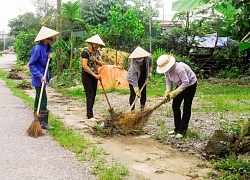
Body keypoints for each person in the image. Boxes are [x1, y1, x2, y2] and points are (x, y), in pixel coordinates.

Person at [156, 54, 197, 138]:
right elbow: (169, 83)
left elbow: (186, 82)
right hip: (180, 84)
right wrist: (167, 92)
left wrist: (174, 93)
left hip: (190, 84)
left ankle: (182, 130)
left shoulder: (179, 68)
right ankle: (177, 128)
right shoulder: (166, 71)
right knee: (175, 106)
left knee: (186, 107)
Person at [29, 26, 59, 130]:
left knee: (38, 97)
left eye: (51, 38)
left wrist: (49, 58)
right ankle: (44, 122)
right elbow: (31, 64)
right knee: (43, 98)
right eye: (49, 38)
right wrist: (40, 76)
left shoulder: (47, 47)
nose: (51, 39)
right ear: (43, 38)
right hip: (39, 76)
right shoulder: (38, 48)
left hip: (44, 75)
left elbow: (46, 62)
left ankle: (37, 119)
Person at [81, 34, 105, 121]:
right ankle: (89, 115)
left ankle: (91, 113)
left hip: (95, 75)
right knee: (90, 94)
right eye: (96, 45)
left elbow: (101, 63)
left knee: (94, 94)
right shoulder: (85, 52)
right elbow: (85, 66)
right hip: (87, 75)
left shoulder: (97, 52)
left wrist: (96, 60)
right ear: (92, 43)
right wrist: (94, 75)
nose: (98, 46)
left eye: (99, 45)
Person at [126, 46, 153, 111]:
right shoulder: (134, 62)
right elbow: (134, 76)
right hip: (132, 78)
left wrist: (149, 72)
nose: (138, 59)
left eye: (140, 58)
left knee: (143, 92)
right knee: (133, 94)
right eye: (137, 58)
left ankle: (142, 107)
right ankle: (132, 110)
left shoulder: (148, 58)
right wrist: (136, 89)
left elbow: (150, 65)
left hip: (143, 77)